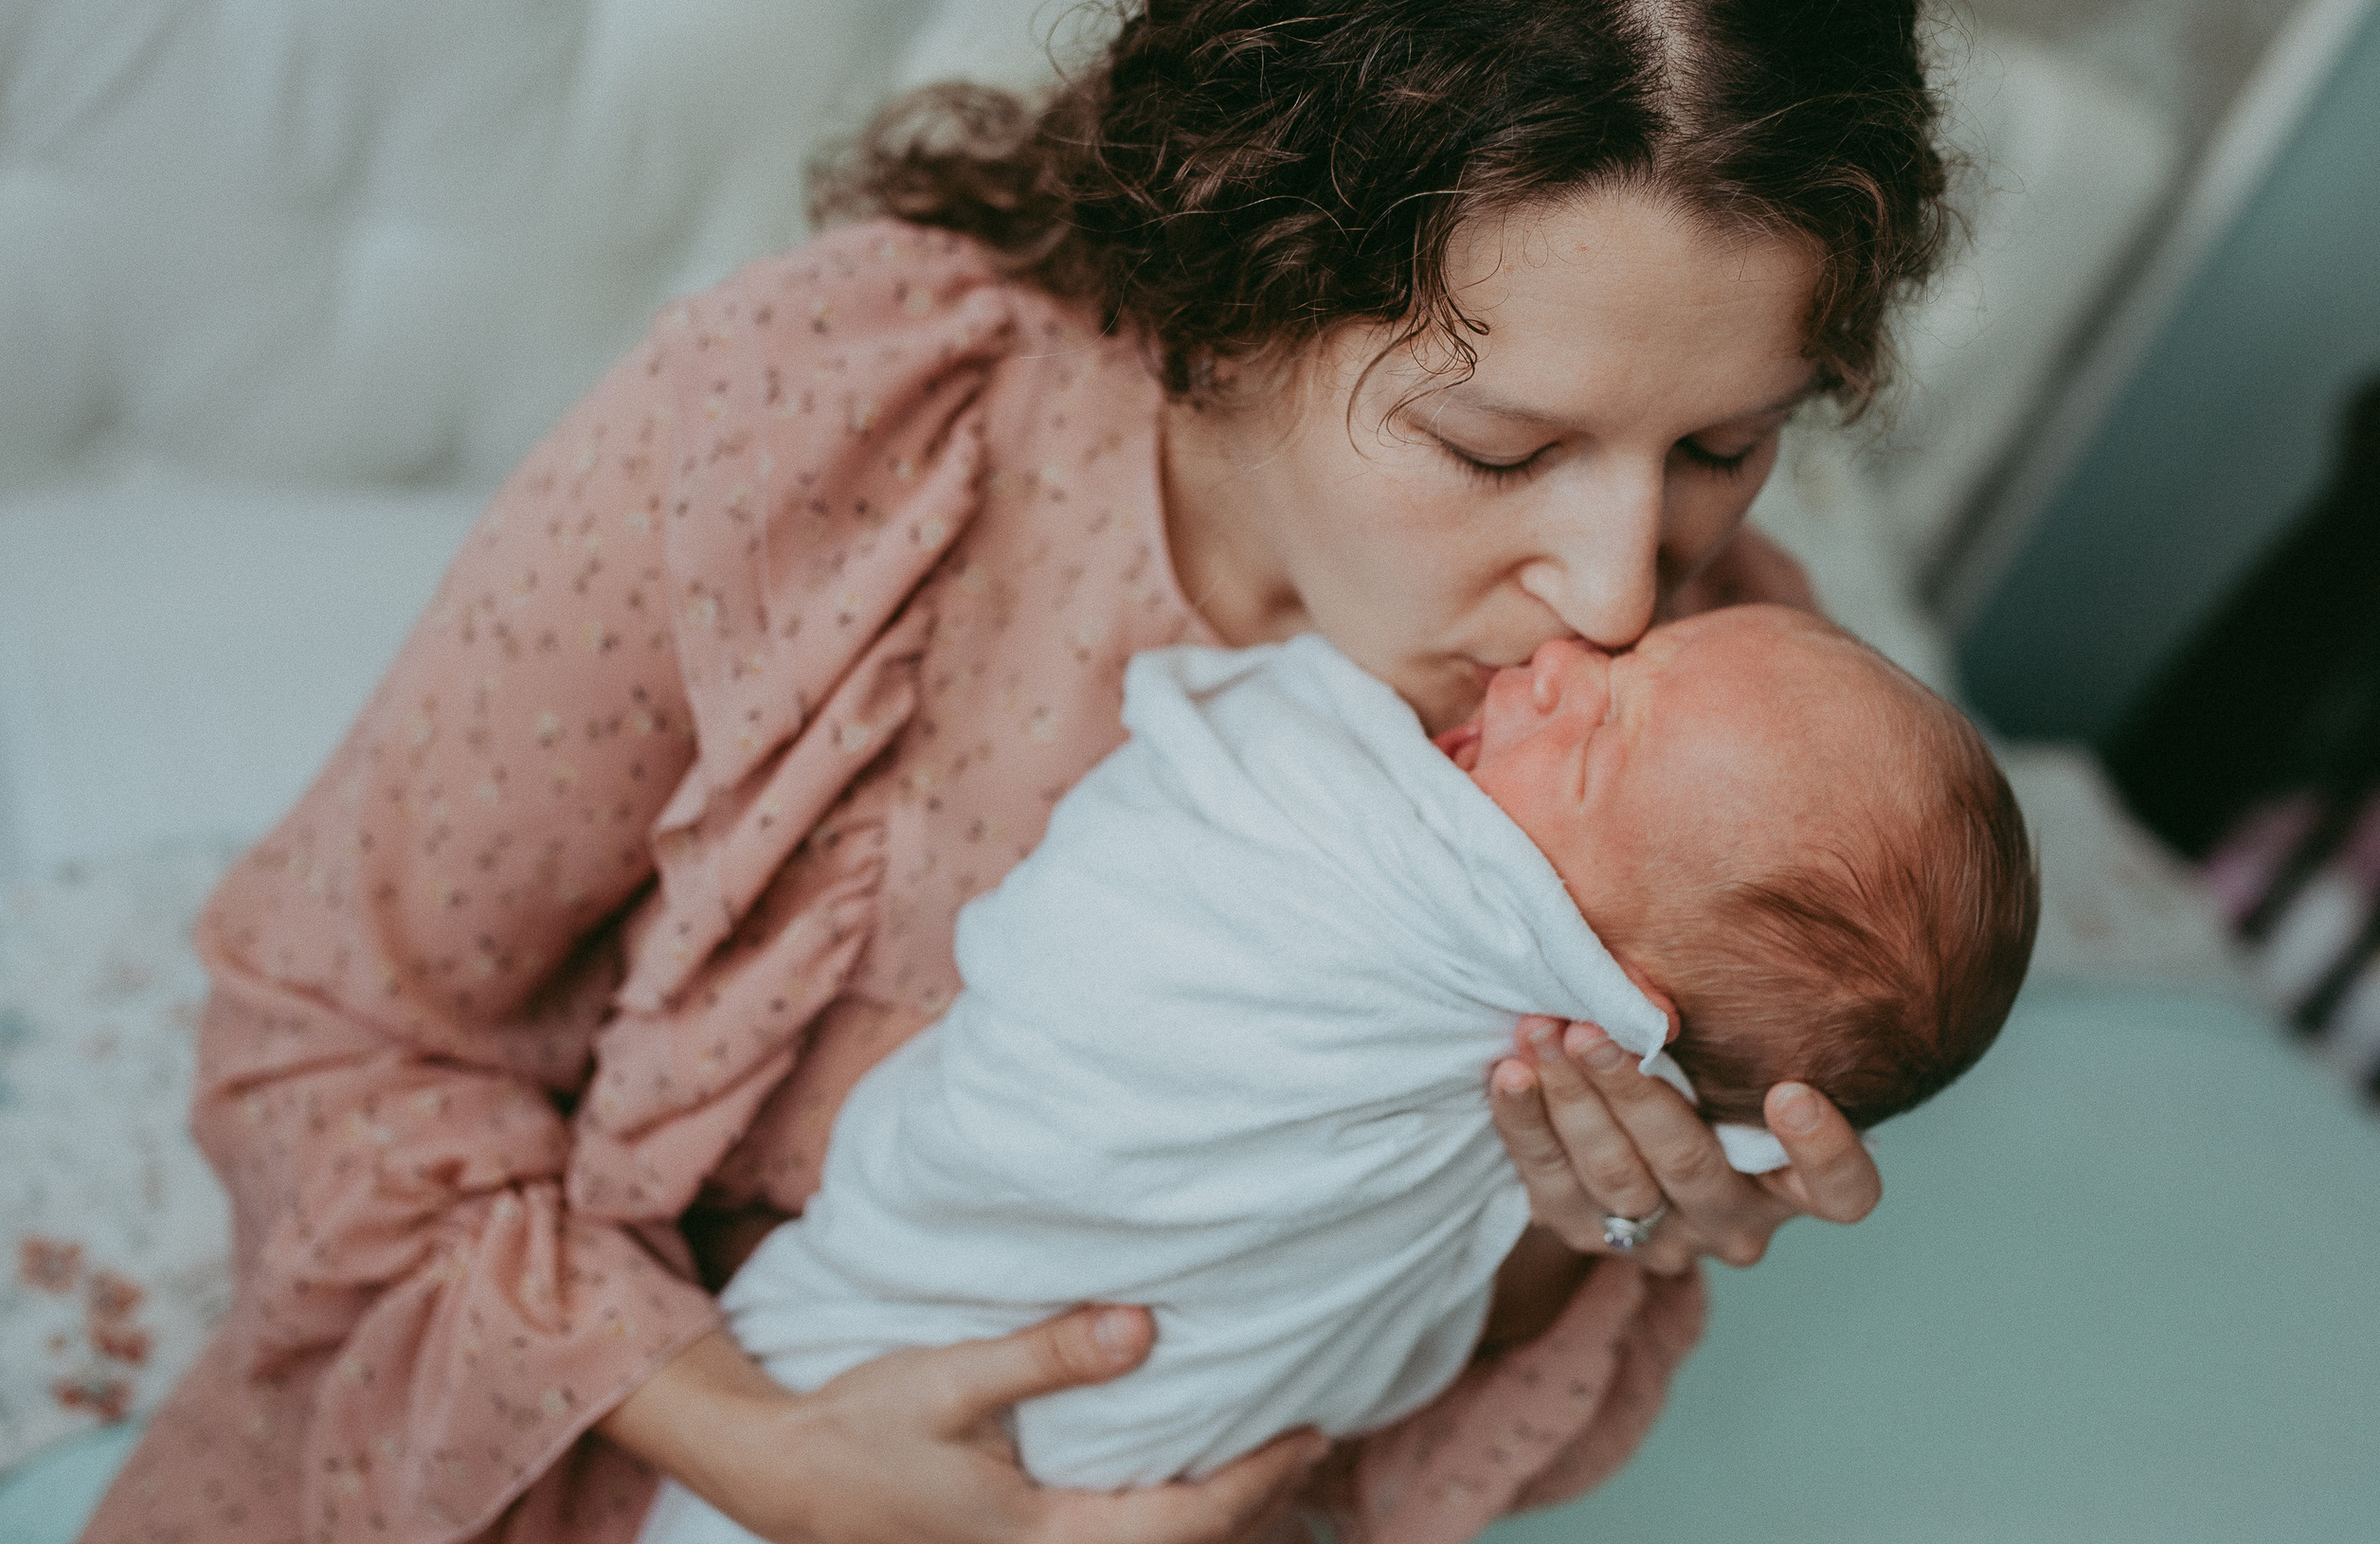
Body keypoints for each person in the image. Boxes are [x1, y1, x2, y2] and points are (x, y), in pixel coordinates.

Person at [82, 0, 1945, 1541]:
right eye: (1498, 449)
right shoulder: (829, 429)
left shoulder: (1733, 721)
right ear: (1241, 290)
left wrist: (1567, 1228)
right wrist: (758, 1451)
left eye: (1723, 443)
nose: (1618, 591)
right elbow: (327, 1028)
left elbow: (1333, 1362)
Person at [637, 605, 2036, 1543]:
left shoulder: (1709, 833)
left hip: (1139, 1450)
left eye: (1600, 739)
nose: (1564, 651)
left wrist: (1642, 1204)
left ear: (1620, 992)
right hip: (825, 1381)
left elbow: (1436, 1261)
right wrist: (759, 1455)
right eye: (1629, 652)